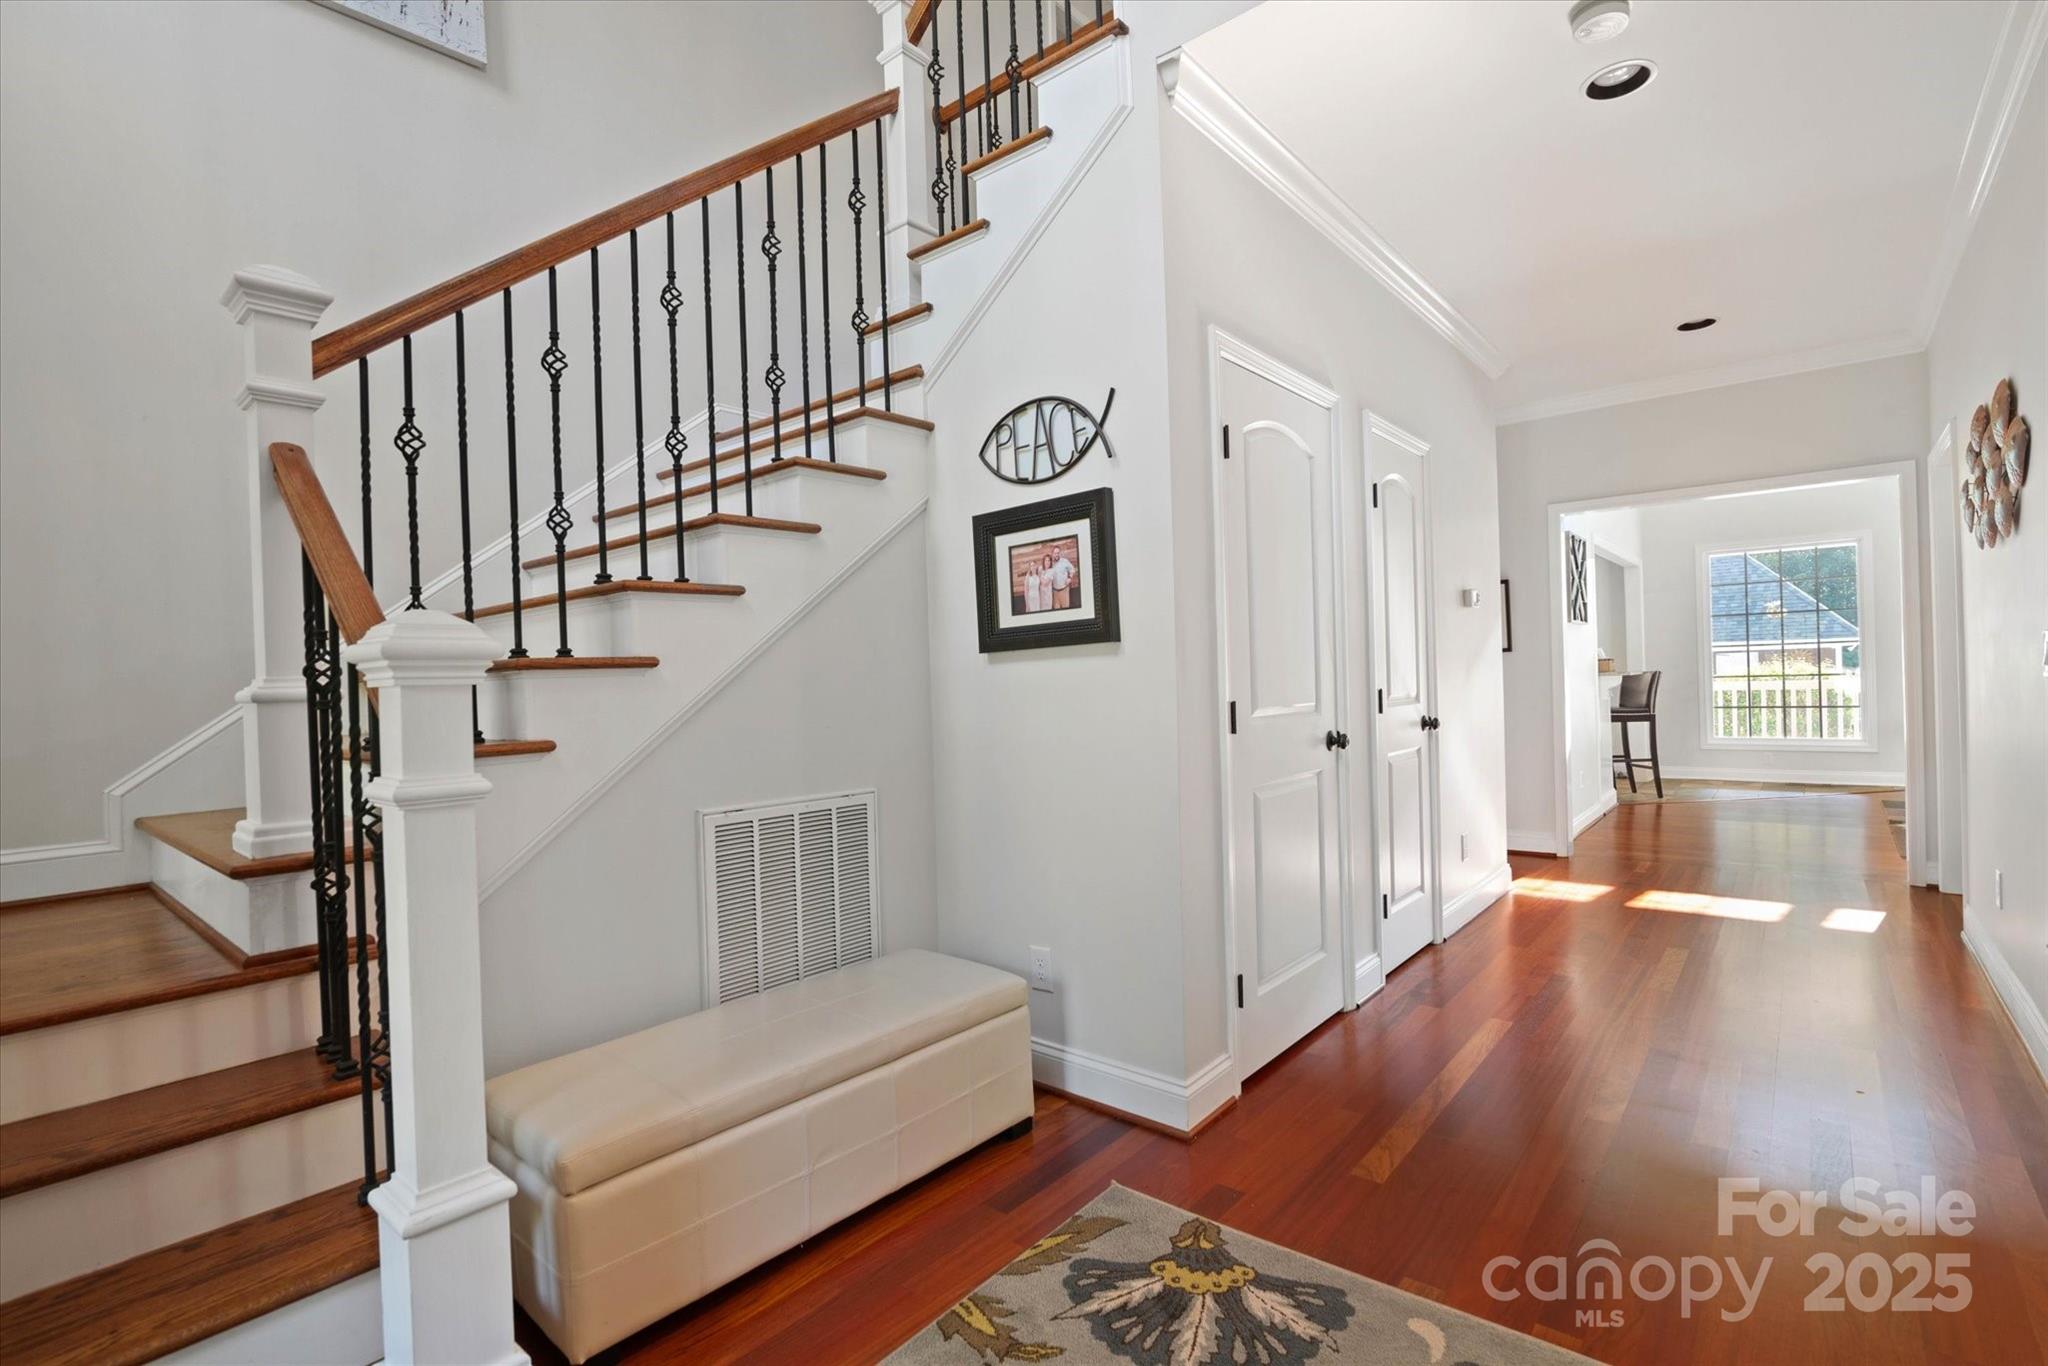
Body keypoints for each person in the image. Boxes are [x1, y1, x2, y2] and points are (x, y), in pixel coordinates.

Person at [1048, 544, 1077, 610]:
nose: (1056, 554)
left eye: (1058, 553)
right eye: (1055, 553)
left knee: (1065, 609)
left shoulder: (1064, 561)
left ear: (1060, 553)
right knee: (1057, 611)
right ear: (1052, 554)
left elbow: (1072, 569)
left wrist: (1069, 578)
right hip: (1055, 592)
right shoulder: (1050, 563)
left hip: (1064, 590)